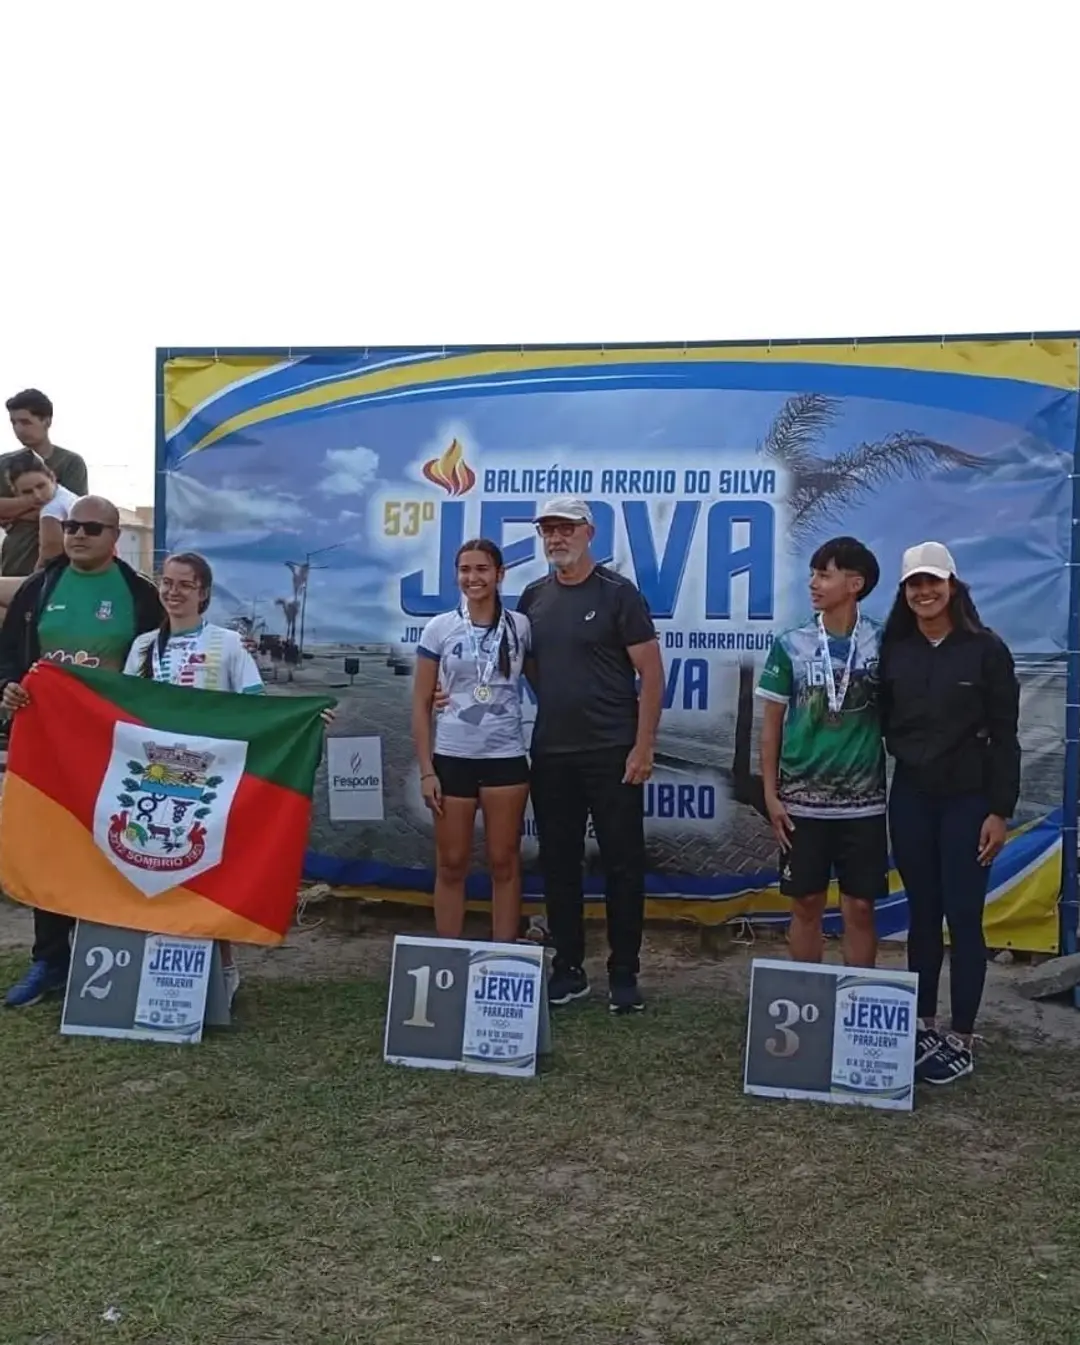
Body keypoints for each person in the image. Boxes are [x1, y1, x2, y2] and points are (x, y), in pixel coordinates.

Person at [0, 496, 163, 1007]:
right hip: (45, 742)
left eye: (91, 528)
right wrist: (8, 686)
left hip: (115, 746)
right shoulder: (39, 586)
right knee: (50, 848)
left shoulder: (140, 596)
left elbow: (164, 665)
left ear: (116, 537)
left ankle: (115, 952)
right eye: (71, 526)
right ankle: (49, 960)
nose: (78, 535)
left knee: (116, 845)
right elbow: (8, 656)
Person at [881, 542, 1020, 1086]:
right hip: (912, 798)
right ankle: (922, 1025)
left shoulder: (986, 650)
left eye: (933, 582)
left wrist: (999, 811)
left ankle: (961, 1034)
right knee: (921, 913)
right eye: (915, 583)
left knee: (963, 917)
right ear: (904, 591)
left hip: (970, 803)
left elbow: (1007, 738)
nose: (925, 592)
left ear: (953, 586)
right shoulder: (895, 650)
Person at [517, 497, 663, 1014]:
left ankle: (624, 974)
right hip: (553, 752)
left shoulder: (619, 595)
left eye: (566, 529)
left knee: (623, 865)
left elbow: (652, 673)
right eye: (548, 530)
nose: (556, 538)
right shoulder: (532, 596)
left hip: (613, 752)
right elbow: (525, 666)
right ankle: (569, 969)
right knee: (559, 864)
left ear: (589, 532)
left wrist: (643, 746)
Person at [124, 552, 270, 1007]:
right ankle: (163, 969)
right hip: (154, 779)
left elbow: (256, 707)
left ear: (203, 592)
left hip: (211, 784)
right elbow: (123, 710)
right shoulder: (144, 646)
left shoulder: (227, 644)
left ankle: (224, 968)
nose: (172, 591)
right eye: (166, 582)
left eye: (184, 584)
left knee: (209, 878)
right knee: (155, 869)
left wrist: (306, 721)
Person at [756, 536, 886, 969]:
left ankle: (855, 1011)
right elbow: (771, 726)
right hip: (801, 805)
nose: (813, 583)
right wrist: (771, 796)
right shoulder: (791, 643)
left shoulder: (883, 643)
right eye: (812, 573)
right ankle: (806, 1002)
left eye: (823, 575)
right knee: (807, 904)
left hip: (864, 805)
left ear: (855, 583)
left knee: (861, 909)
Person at [412, 539, 532, 943]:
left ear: (499, 575)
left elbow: (549, 677)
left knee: (504, 862)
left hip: (506, 758)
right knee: (451, 863)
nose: (472, 577)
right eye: (465, 569)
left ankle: (504, 955)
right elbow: (420, 705)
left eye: (482, 569)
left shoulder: (520, 626)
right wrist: (427, 771)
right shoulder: (440, 628)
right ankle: (448, 958)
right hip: (453, 757)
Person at [2, 390, 88, 578]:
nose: (19, 429)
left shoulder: (70, 462)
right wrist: (40, 501)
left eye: (25, 422)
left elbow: (73, 512)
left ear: (46, 422)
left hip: (57, 565)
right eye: (13, 422)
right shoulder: (5, 464)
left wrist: (13, 512)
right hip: (14, 558)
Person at [0, 451, 80, 619]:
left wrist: (31, 586)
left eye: (40, 486)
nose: (37, 496)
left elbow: (50, 555)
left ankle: (25, 629)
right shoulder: (66, 497)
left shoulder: (51, 510)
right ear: (17, 493)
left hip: (62, 584)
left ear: (52, 477)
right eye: (27, 492)